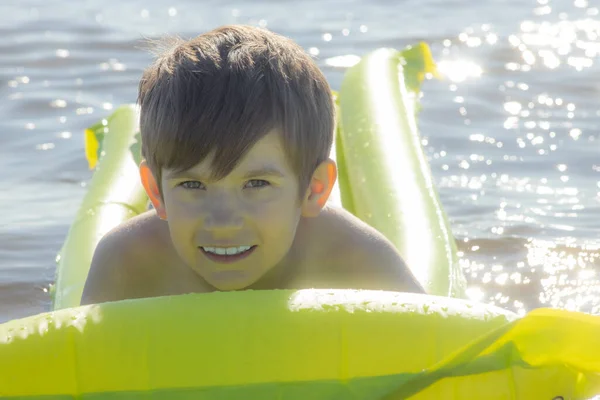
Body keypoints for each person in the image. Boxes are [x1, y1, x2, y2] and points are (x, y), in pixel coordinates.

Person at [81, 25, 424, 305]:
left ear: (315, 189)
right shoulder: (128, 263)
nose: (224, 222)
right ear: (155, 190)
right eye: (193, 185)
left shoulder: (354, 259)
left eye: (256, 184)